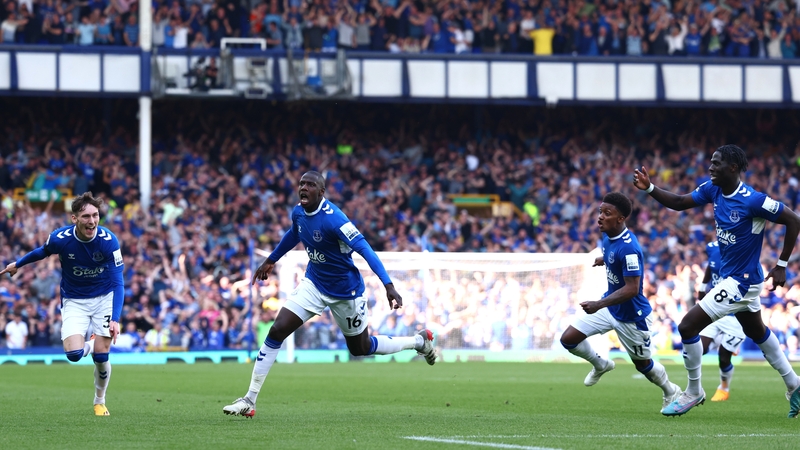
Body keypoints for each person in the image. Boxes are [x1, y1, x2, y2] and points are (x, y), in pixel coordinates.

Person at [223, 171, 436, 418]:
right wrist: (271, 259)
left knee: (360, 348)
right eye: (301, 183)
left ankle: (418, 342)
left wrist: (388, 285)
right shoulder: (299, 212)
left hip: (347, 292)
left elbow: (365, 249)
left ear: (321, 192)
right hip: (314, 284)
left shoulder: (335, 220)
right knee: (277, 329)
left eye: (310, 185)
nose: (303, 188)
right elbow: (294, 232)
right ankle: (249, 399)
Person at [633, 145, 800, 418]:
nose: (710, 167)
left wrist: (781, 265)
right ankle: (794, 383)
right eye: (711, 162)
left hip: (742, 281)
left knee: (687, 326)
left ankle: (694, 390)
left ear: (732, 168)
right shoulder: (713, 190)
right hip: (740, 280)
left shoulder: (753, 200)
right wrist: (651, 188)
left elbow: (794, 220)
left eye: (716, 163)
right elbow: (678, 202)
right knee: (758, 333)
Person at [0, 192, 124, 416]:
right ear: (74, 218)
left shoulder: (108, 241)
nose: (92, 221)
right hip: (74, 299)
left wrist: (115, 319)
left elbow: (118, 282)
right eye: (86, 216)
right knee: (75, 354)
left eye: (95, 215)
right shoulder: (60, 238)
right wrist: (17, 264)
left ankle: (99, 400)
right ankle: (91, 342)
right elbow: (42, 252)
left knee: (101, 356)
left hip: (104, 298)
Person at [560, 192, 682, 412]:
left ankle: (670, 390)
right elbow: (613, 256)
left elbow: (632, 289)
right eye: (600, 211)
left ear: (620, 218)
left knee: (644, 366)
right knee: (568, 339)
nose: (600, 217)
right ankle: (601, 364)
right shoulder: (608, 237)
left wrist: (598, 304)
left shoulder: (629, 248)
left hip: (632, 317)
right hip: (611, 309)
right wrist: (604, 259)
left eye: (607, 213)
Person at [697, 240, 746, 402]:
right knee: (699, 349)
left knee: (724, 358)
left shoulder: (744, 248)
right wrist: (703, 286)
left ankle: (723, 388)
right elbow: (711, 266)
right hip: (715, 307)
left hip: (734, 314)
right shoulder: (712, 247)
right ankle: (693, 390)